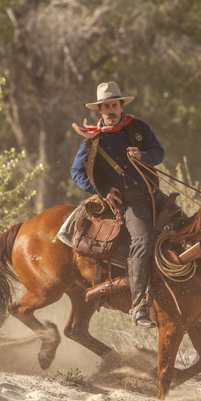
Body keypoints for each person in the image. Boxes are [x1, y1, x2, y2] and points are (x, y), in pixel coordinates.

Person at [70, 82, 164, 328]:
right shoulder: (92, 139)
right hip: (125, 200)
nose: (110, 110)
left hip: (149, 191)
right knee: (142, 238)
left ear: (121, 106)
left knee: (180, 222)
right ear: (99, 110)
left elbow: (159, 153)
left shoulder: (138, 128)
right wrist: (101, 191)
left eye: (114, 105)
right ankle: (139, 305)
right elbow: (76, 172)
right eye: (105, 107)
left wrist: (143, 156)